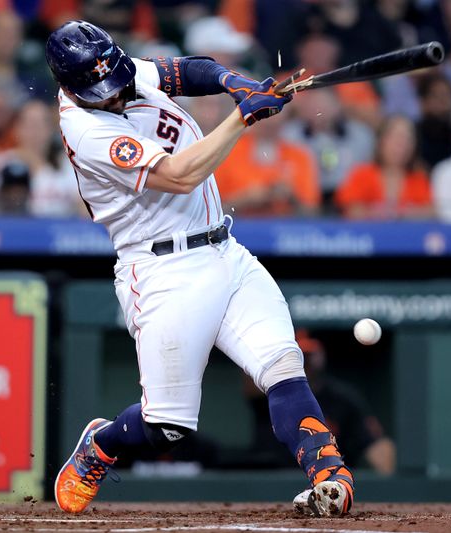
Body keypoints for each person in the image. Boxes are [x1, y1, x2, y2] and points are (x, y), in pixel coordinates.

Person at [47, 21, 354, 517]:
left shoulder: (120, 70)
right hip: (163, 272)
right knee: (166, 428)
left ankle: (329, 475)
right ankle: (101, 444)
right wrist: (241, 118)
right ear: (71, 86)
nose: (114, 93)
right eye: (99, 91)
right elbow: (180, 175)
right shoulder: (87, 129)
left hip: (225, 251)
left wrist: (235, 82)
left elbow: (188, 71)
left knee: (282, 366)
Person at [246, 331, 396, 475]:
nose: (303, 363)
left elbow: (377, 445)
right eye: (298, 356)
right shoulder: (269, 394)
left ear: (320, 356)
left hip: (328, 483)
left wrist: (394, 487)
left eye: (308, 356)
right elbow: (249, 379)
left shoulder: (342, 399)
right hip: (276, 482)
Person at [214, 106, 321, 217]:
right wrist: (244, 199)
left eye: (276, 112)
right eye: (265, 112)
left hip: (284, 229)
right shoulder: (229, 151)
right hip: (237, 228)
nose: (271, 119)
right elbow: (212, 210)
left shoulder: (300, 156)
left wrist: (292, 198)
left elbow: (312, 214)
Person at [335, 115, 434, 220]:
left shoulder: (419, 178)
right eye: (395, 138)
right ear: (381, 141)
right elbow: (351, 210)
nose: (400, 145)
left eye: (407, 139)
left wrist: (401, 212)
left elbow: (432, 211)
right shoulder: (362, 174)